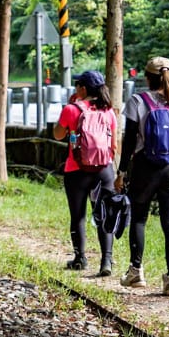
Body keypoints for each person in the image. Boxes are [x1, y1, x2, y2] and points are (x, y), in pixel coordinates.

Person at [115, 56, 169, 295]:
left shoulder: (138, 101)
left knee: (138, 219)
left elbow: (128, 142)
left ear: (147, 78)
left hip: (144, 167)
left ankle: (136, 271)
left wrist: (122, 171)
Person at [52, 70, 117, 276]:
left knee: (78, 215)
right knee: (104, 215)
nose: (75, 87)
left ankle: (80, 258)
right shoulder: (109, 111)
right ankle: (106, 260)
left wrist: (70, 108)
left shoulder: (71, 110)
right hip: (104, 170)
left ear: (83, 88)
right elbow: (114, 145)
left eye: (77, 84)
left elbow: (58, 134)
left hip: (77, 169)